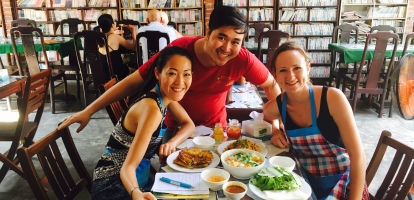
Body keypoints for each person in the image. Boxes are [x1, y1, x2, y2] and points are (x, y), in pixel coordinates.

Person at [57, 6, 280, 148]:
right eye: (221, 37)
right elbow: (135, 80)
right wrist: (89, 110)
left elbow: (271, 86)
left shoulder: (242, 58)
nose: (227, 47)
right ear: (208, 32)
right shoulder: (180, 50)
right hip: (175, 130)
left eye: (235, 41)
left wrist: (277, 127)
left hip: (216, 132)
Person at [263, 41, 368, 199]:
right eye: (283, 70)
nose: (290, 76)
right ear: (275, 75)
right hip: (305, 185)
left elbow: (357, 155)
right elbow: (267, 115)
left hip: (344, 184)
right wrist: (276, 129)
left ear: (308, 68)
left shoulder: (333, 98)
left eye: (297, 68)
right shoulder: (277, 106)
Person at [89, 46, 194, 200]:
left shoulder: (164, 96)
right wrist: (135, 192)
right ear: (158, 73)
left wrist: (172, 142)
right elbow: (128, 167)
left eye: (186, 74)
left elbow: (188, 124)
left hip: (138, 179)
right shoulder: (151, 109)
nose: (180, 82)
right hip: (114, 186)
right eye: (172, 73)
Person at [97, 14, 137, 81]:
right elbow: (134, 48)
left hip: (104, 75)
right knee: (137, 71)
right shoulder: (115, 37)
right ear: (112, 25)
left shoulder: (99, 38)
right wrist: (133, 31)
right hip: (117, 75)